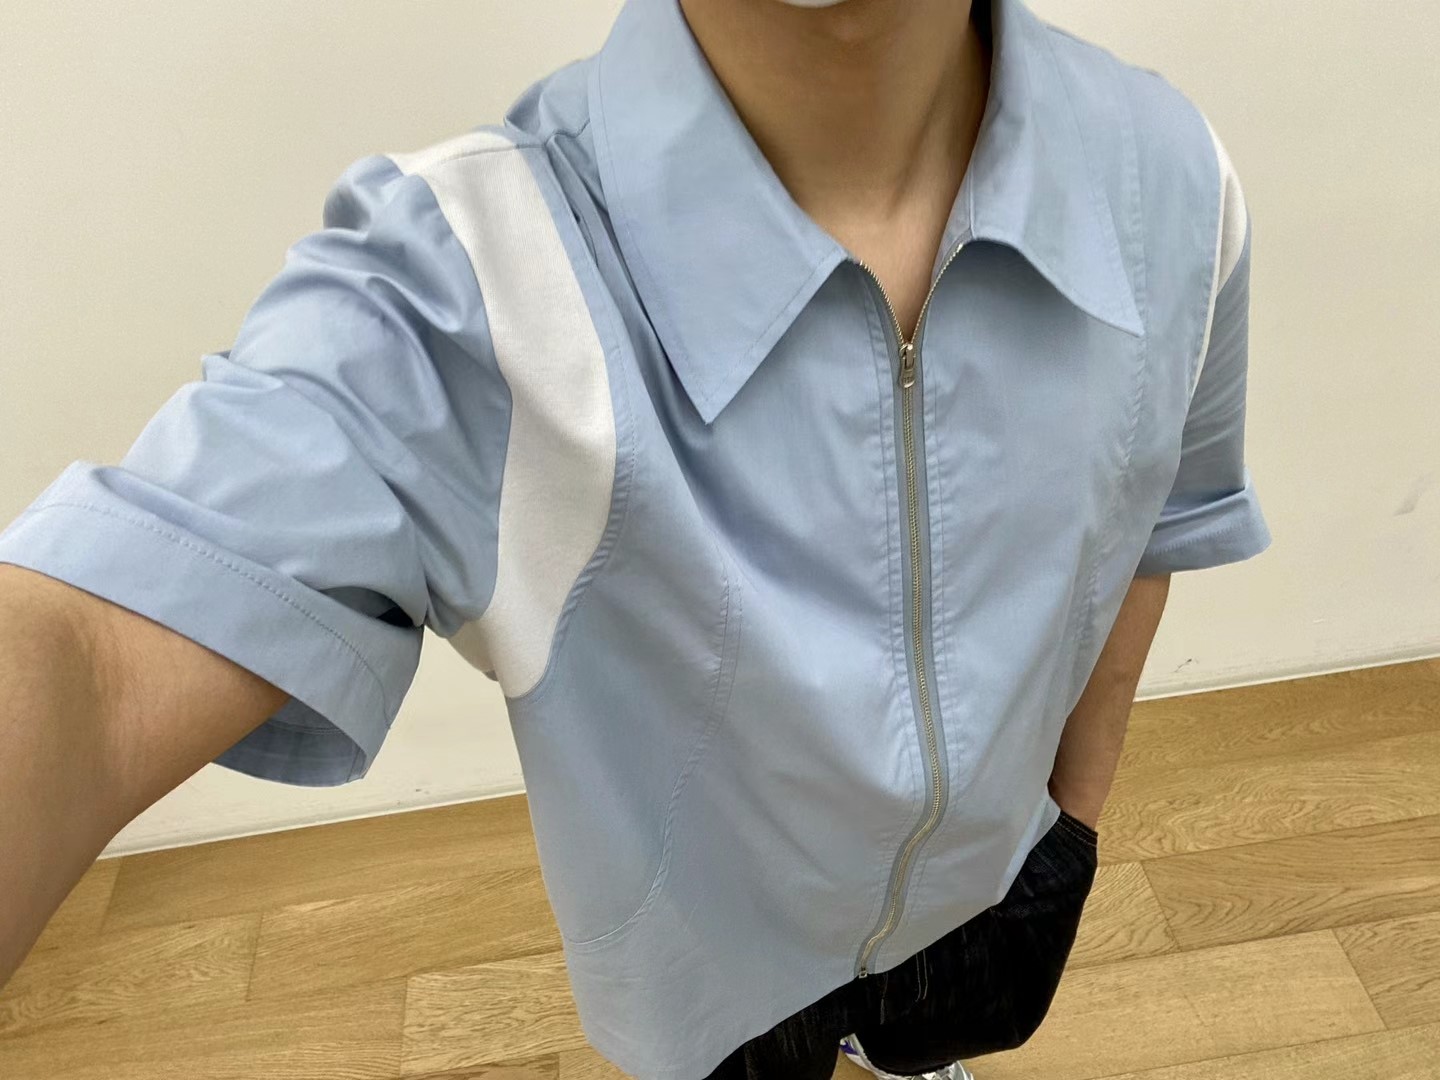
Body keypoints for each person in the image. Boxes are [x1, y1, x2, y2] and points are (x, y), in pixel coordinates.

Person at [0, 0, 1270, 1076]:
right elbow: (89, 652)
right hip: (708, 995)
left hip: (999, 898)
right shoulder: (460, 285)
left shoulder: (1175, 182)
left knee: (934, 1039)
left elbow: (1156, 523)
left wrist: (1072, 816)